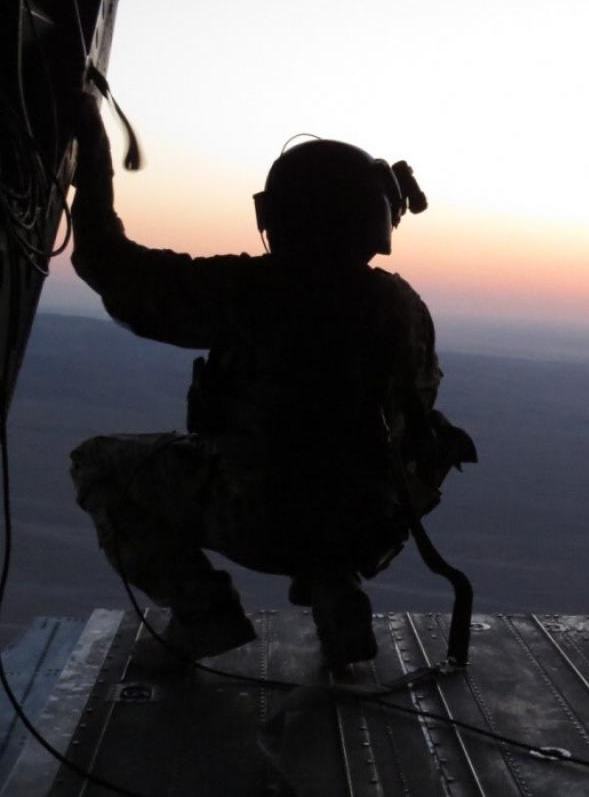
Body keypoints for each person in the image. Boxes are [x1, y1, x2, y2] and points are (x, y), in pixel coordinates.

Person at [69, 96, 476, 669]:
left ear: (280, 217)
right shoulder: (404, 306)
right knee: (327, 470)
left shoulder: (255, 293)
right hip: (372, 526)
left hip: (266, 520)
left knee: (95, 463)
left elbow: (112, 269)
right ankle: (335, 584)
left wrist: (91, 151)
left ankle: (203, 613)